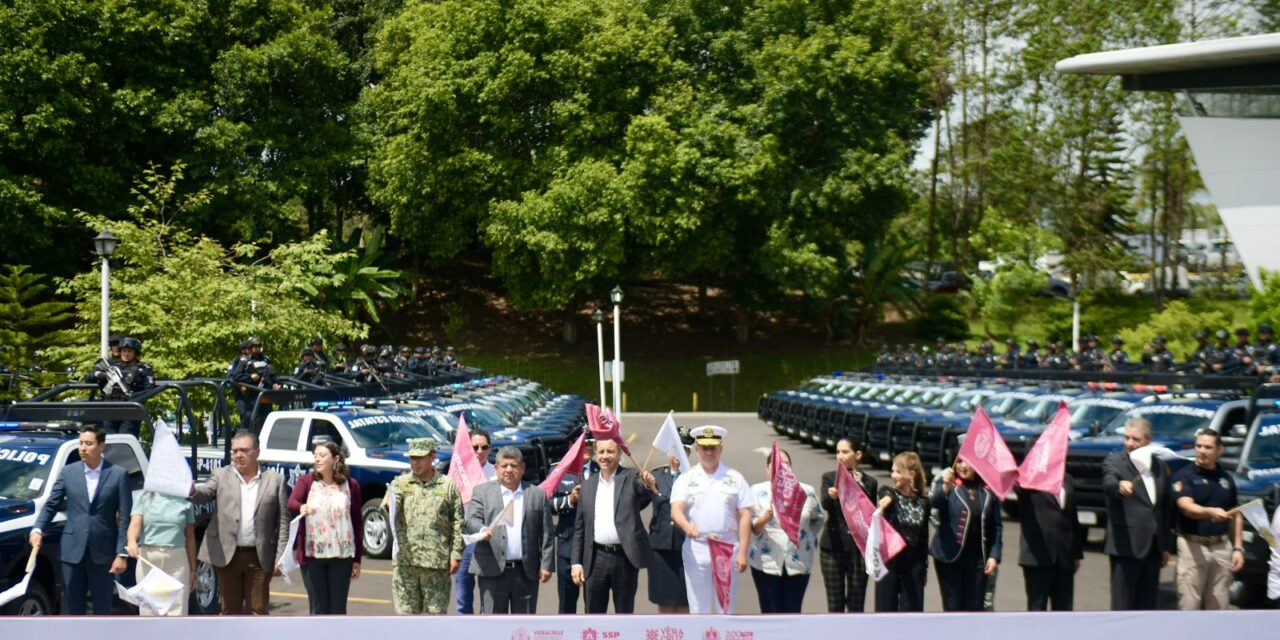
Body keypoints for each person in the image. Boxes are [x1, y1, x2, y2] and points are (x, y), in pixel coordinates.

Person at [29, 425, 132, 615]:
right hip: (71, 552)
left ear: (102, 446)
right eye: (81, 443)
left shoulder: (118, 475)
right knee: (72, 609)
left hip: (103, 553)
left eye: (89, 443)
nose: (83, 448)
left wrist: (121, 553)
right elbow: (52, 504)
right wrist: (37, 529)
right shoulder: (69, 472)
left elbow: (125, 517)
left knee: (102, 609)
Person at [191, 430, 291, 615]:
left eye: (244, 450)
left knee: (258, 611)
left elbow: (283, 523)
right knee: (229, 612)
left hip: (259, 557)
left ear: (257, 452)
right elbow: (204, 493)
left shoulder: (275, 481)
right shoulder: (221, 475)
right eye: (235, 451)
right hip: (227, 555)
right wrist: (191, 491)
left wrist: (281, 558)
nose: (238, 455)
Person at [670, 425, 754, 614]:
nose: (709, 453)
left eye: (713, 448)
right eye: (704, 448)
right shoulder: (687, 478)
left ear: (720, 449)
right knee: (698, 608)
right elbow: (676, 510)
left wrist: (743, 552)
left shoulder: (734, 478)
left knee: (725, 607)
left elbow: (746, 513)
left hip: (726, 546)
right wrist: (686, 527)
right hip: (697, 547)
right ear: (697, 449)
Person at [570, 438, 657, 613]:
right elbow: (580, 528)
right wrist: (576, 562)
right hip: (595, 559)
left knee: (624, 615)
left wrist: (649, 483)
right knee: (594, 615)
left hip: (624, 557)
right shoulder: (587, 485)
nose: (605, 456)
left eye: (610, 451)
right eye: (601, 452)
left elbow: (645, 490)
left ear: (619, 454)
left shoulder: (631, 476)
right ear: (595, 455)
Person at [465, 447, 554, 614]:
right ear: (496, 468)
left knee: (524, 628)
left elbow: (547, 534)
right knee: (493, 627)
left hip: (526, 573)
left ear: (522, 468)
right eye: (504, 465)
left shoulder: (537, 494)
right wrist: (482, 529)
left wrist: (547, 564)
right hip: (491, 571)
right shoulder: (482, 492)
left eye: (513, 465)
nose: (508, 470)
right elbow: (471, 520)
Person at [1101, 417, 1172, 610]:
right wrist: (1118, 486)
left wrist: (1165, 546)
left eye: (1136, 439)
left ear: (1148, 440)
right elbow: (1108, 482)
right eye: (1127, 438)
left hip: (1152, 549)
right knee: (1122, 605)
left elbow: (1162, 508)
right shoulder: (1115, 461)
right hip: (1126, 546)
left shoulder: (1158, 466)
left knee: (1147, 606)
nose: (1130, 443)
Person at [1169, 429, 1244, 610]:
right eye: (1198, 446)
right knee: (1189, 604)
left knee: (1219, 605)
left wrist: (1238, 548)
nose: (1202, 450)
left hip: (1221, 547)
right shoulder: (1184, 475)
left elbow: (1235, 513)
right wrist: (1209, 512)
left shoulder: (1226, 479)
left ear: (1219, 450)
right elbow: (1186, 506)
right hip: (1192, 546)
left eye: (1208, 447)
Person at [288, 441, 364, 614]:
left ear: (335, 459)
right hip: (313, 556)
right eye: (315, 456)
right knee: (318, 608)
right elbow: (291, 502)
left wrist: (357, 558)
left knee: (338, 608)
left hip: (342, 556)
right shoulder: (306, 482)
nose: (317, 459)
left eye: (322, 456)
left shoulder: (351, 486)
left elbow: (357, 523)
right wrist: (301, 507)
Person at [390, 437, 463, 615]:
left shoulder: (447, 486)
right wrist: (391, 501)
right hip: (406, 562)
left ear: (432, 457)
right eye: (412, 458)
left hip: (436, 564)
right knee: (406, 617)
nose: (415, 463)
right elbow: (388, 512)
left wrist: (456, 554)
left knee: (436, 618)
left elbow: (458, 522)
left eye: (420, 458)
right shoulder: (400, 484)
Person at [746, 447, 823, 613]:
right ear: (767, 470)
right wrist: (762, 520)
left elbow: (818, 519)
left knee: (793, 612)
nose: (782, 469)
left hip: (798, 562)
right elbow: (751, 527)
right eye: (777, 465)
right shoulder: (757, 491)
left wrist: (804, 537)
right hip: (766, 563)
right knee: (770, 612)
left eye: (786, 464)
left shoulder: (806, 491)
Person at [930, 458, 1003, 611]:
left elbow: (995, 526)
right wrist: (945, 487)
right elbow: (934, 503)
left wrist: (993, 555)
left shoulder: (987, 489)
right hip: (950, 557)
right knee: (953, 608)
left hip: (977, 560)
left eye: (967, 462)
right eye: (959, 462)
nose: (962, 466)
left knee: (975, 609)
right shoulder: (948, 483)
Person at [818, 437, 879, 612]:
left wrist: (857, 485)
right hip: (833, 546)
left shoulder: (870, 482)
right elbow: (825, 504)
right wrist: (832, 496)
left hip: (859, 548)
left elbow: (870, 513)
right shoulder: (830, 478)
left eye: (845, 452)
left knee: (856, 603)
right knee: (835, 603)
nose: (840, 456)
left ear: (857, 454)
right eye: (838, 452)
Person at [643, 431, 694, 613]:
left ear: (689, 453)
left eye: (684, 450)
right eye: (675, 449)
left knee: (685, 601)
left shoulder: (695, 478)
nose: (679, 455)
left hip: (686, 546)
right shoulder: (657, 475)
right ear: (668, 452)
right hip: (660, 547)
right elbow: (639, 504)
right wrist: (642, 485)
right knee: (663, 600)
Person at [1015, 475, 1083, 611]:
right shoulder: (1030, 478)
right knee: (1037, 609)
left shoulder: (1066, 478)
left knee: (1064, 610)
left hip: (1064, 557)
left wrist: (1076, 553)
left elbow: (1072, 517)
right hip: (1037, 555)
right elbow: (1017, 487)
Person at [126, 489, 197, 615]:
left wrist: (193, 570)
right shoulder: (143, 498)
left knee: (177, 610)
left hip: (177, 561)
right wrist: (132, 541)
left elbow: (190, 537)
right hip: (148, 559)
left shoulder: (185, 501)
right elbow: (134, 525)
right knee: (149, 610)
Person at [875, 452, 931, 612]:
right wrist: (885, 500)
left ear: (911, 474)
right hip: (890, 561)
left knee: (912, 612)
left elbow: (924, 538)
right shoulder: (889, 493)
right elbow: (884, 494)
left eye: (898, 471)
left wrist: (924, 570)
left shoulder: (923, 502)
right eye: (892, 471)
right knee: (885, 611)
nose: (894, 475)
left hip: (914, 564)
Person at [551, 434, 598, 613]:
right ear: (572, 445)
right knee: (566, 606)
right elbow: (546, 504)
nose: (586, 447)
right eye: (582, 443)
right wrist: (570, 499)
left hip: (595, 548)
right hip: (567, 545)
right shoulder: (560, 471)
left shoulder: (602, 469)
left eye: (590, 444)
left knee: (594, 605)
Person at [455, 428, 499, 614]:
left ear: (490, 448)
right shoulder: (458, 474)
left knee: (487, 597)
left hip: (488, 541)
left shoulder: (497, 474)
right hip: (464, 540)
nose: (480, 451)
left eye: (484, 447)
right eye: (475, 447)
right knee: (463, 596)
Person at [90, 337, 155, 436]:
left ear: (135, 353)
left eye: (129, 351)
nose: (126, 354)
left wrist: (134, 396)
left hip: (130, 410)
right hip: (109, 407)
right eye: (124, 351)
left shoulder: (143, 368)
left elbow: (150, 390)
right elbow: (90, 378)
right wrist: (100, 374)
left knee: (125, 438)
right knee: (108, 440)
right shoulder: (111, 365)